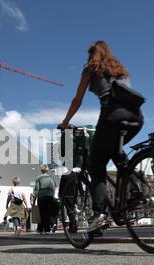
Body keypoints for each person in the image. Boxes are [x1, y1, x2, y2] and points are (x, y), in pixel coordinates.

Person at [60, 41, 144, 232]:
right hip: (136, 116)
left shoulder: (90, 69)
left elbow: (76, 101)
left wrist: (65, 123)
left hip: (112, 115)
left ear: (92, 55)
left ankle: (100, 213)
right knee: (115, 153)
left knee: (95, 164)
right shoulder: (120, 69)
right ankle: (132, 194)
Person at [31, 165, 56, 234]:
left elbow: (37, 189)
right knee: (48, 213)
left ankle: (40, 229)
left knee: (41, 213)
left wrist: (35, 198)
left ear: (41, 170)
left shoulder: (39, 178)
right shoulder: (50, 178)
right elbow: (53, 187)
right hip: (49, 197)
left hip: (41, 197)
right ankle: (47, 229)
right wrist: (52, 195)